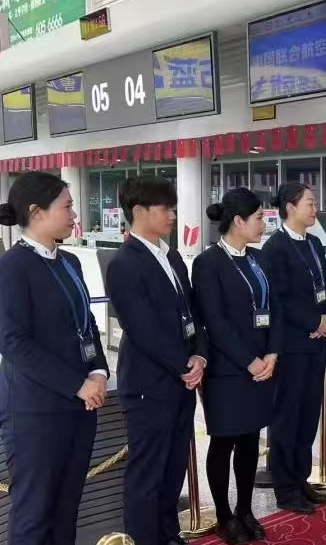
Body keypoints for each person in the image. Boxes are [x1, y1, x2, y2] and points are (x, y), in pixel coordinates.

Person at [0, 172, 109, 545]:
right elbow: (14, 342)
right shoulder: (13, 267)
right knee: (34, 514)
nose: (74, 215)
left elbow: (87, 323)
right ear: (36, 212)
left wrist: (98, 371)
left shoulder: (69, 262)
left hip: (79, 407)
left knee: (66, 509)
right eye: (67, 206)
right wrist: (77, 384)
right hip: (36, 412)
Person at [106, 176, 207, 545]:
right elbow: (142, 328)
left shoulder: (172, 256)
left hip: (182, 379)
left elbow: (193, 313)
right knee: (147, 473)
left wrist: (199, 355)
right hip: (149, 384)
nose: (172, 215)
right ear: (139, 211)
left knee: (173, 467)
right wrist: (183, 365)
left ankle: (168, 534)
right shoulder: (124, 263)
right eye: (165, 208)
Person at [191, 188, 281, 544]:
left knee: (250, 441)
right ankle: (224, 516)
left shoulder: (258, 259)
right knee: (224, 441)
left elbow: (275, 309)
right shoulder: (208, 263)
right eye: (259, 218)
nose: (264, 224)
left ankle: (245, 510)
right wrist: (249, 361)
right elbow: (214, 322)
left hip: (262, 366)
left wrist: (272, 354)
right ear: (239, 221)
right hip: (228, 370)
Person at [262, 182, 326, 514]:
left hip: (317, 343)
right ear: (290, 207)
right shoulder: (274, 248)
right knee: (287, 418)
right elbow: (279, 300)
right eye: (310, 202)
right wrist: (313, 321)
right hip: (292, 346)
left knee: (308, 417)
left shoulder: (314, 243)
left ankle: (301, 479)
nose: (315, 208)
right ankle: (285, 488)